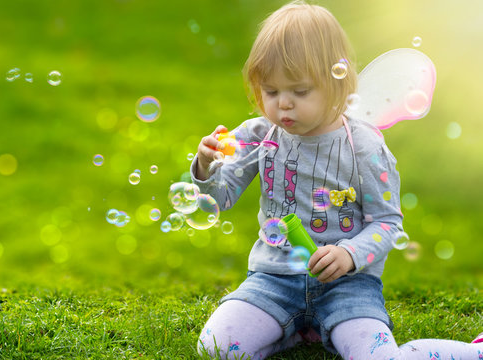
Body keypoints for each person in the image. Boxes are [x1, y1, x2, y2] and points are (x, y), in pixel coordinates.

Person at [190, 1, 483, 359]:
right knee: (215, 348)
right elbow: (219, 198)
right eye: (271, 91)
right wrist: (206, 167)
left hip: (348, 287)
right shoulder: (258, 135)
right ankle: (296, 328)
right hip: (273, 279)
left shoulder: (363, 145)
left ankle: (473, 351)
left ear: (335, 83)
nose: (283, 105)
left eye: (299, 92)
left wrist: (348, 253)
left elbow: (388, 222)